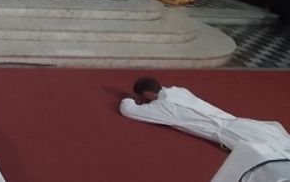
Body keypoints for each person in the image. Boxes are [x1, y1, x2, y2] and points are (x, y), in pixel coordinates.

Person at [120, 77, 290, 182]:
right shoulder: (179, 90)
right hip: (241, 122)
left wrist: (130, 99)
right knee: (278, 140)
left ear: (148, 95)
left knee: (269, 155)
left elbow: (128, 110)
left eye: (144, 98)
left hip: (227, 132)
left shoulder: (163, 108)